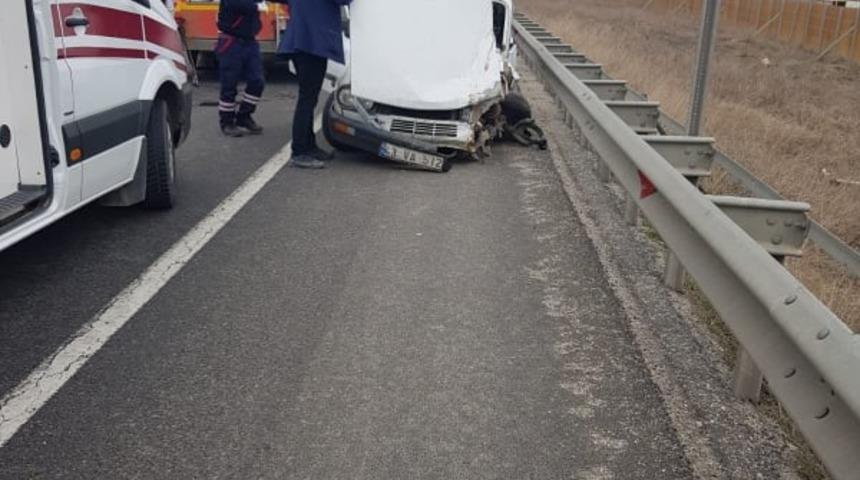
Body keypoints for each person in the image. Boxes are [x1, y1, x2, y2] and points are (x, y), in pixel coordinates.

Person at [278, 0, 353, 169]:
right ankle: (299, 151)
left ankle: (309, 146)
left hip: (300, 41)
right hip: (311, 43)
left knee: (309, 98)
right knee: (307, 99)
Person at [215, 0, 287, 137]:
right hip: (231, 41)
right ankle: (227, 122)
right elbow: (235, 4)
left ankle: (244, 116)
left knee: (257, 81)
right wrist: (256, 6)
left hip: (249, 41)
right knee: (229, 84)